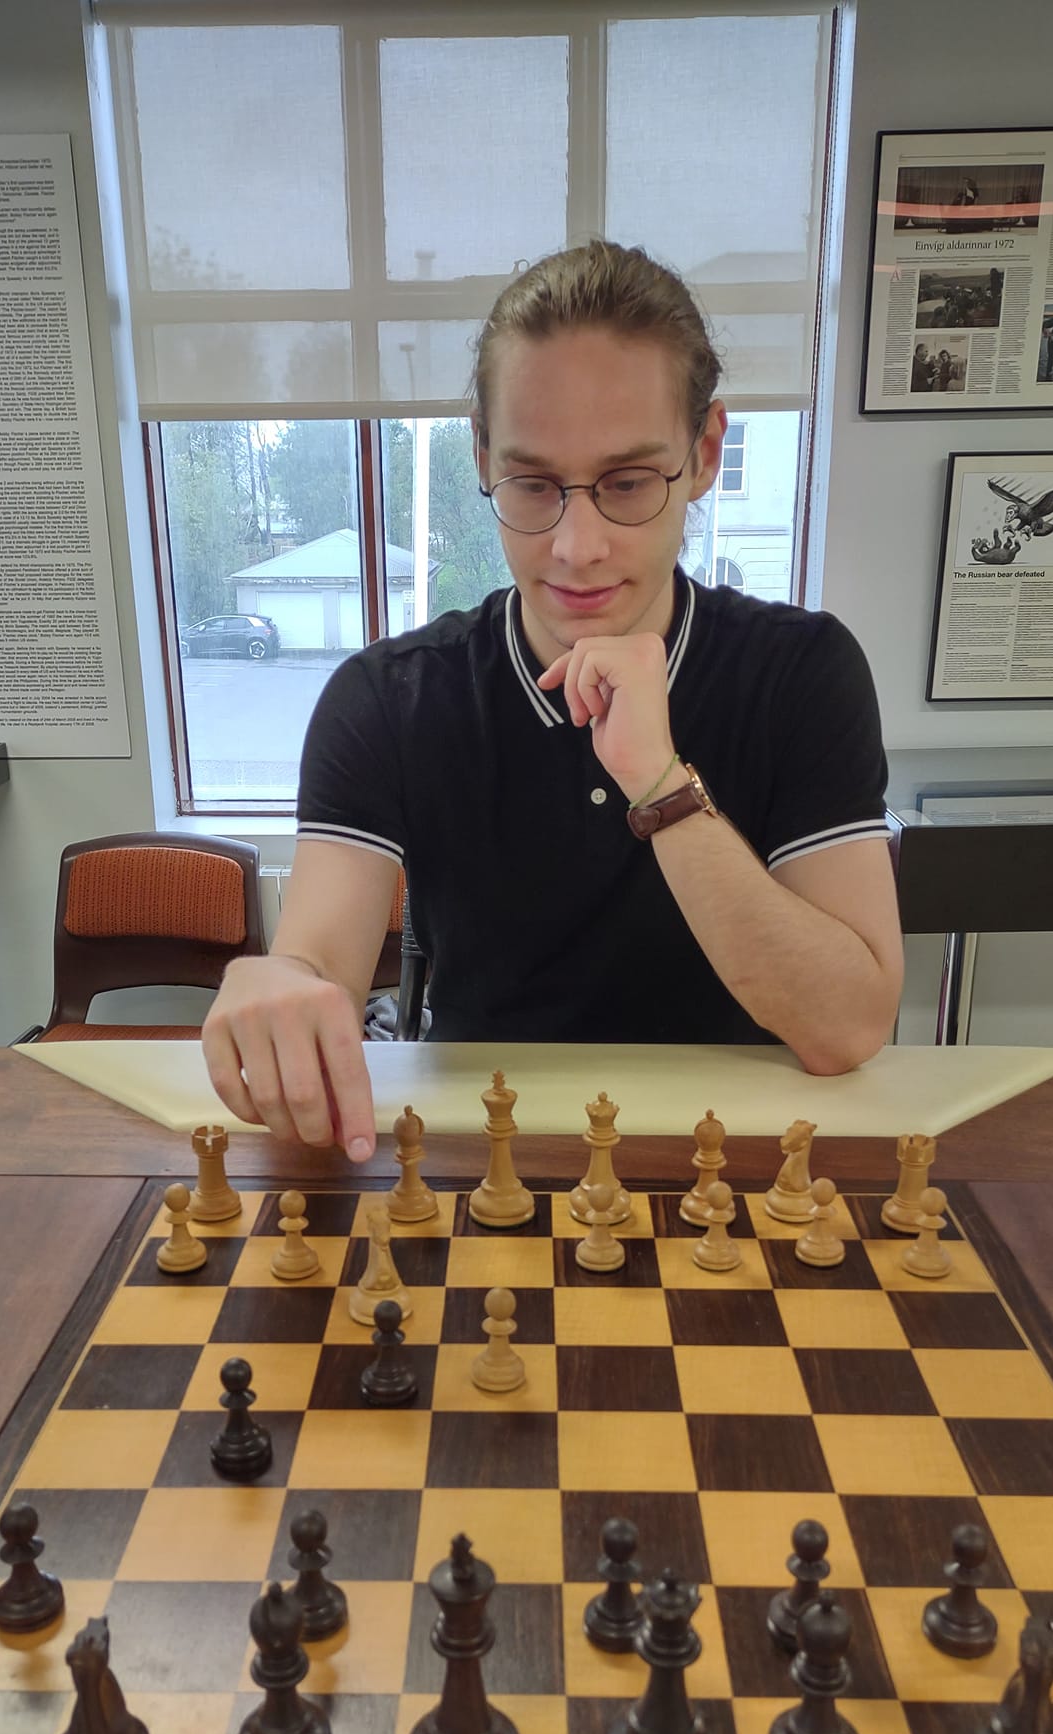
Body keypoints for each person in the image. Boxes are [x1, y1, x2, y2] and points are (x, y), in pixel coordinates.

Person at [201, 241, 902, 1156]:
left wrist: (660, 783)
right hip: (478, 1156)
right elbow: (318, 962)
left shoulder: (802, 674)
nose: (576, 546)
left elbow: (850, 1024)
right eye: (532, 484)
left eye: (628, 483)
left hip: (740, 1165)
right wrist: (283, 985)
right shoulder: (388, 699)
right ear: (483, 457)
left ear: (704, 453)